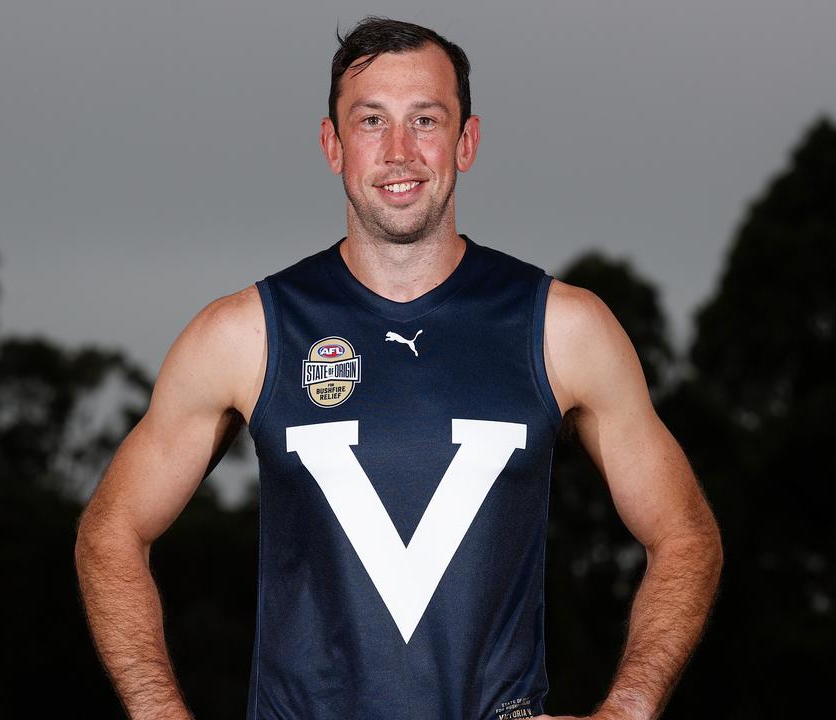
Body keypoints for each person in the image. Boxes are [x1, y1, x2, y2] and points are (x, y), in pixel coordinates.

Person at [75, 16, 722, 720]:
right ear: (333, 145)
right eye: (371, 121)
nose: (399, 151)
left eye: (426, 119)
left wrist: (628, 708)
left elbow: (685, 533)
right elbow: (111, 531)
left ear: (466, 141)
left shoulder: (561, 329)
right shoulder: (247, 333)